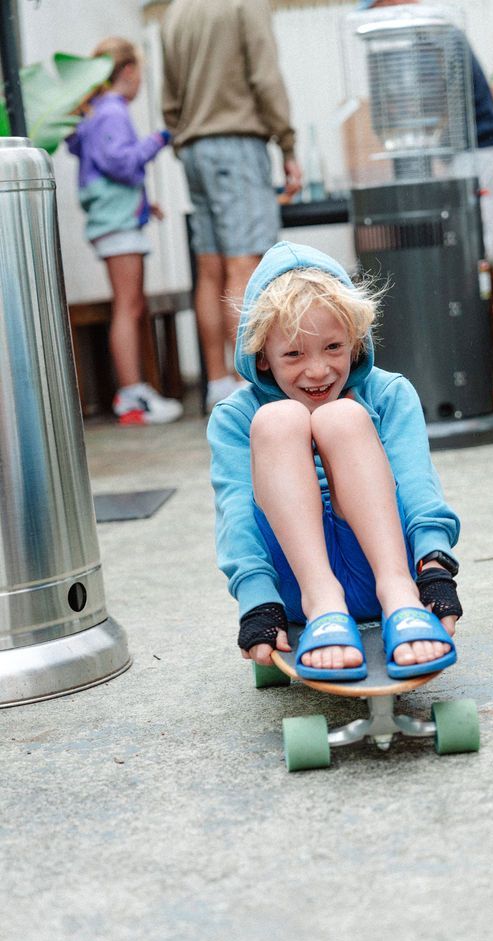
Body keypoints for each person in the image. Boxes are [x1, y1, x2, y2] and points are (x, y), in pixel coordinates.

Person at [208, 241, 462, 680]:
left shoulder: (388, 393)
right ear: (261, 357)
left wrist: (434, 566)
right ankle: (325, 600)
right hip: (300, 588)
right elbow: (236, 514)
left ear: (356, 341)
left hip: (386, 565)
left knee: (343, 416)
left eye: (332, 347)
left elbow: (418, 482)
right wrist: (257, 601)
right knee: (276, 420)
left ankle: (398, 595)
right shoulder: (236, 416)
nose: (318, 370)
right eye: (293, 354)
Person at [161, 0, 303, 412]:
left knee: (210, 268)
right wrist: (287, 143)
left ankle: (218, 384)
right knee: (245, 265)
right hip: (237, 143)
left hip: (193, 148)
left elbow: (168, 96)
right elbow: (265, 76)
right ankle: (248, 389)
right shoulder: (244, 4)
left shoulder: (176, 12)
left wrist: (183, 134)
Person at [67, 37, 183, 426]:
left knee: (132, 304)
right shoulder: (112, 110)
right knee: (128, 305)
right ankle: (132, 396)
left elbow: (102, 167)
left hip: (115, 219)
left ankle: (135, 392)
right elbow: (119, 162)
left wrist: (141, 203)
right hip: (116, 225)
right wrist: (158, 139)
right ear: (129, 71)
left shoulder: (95, 111)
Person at [357, 0, 493, 256]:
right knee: (461, 238)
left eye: (377, 10)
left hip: (482, 152)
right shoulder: (428, 36)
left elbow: (436, 101)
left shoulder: (438, 35)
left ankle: (478, 293)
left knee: (475, 241)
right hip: (466, 155)